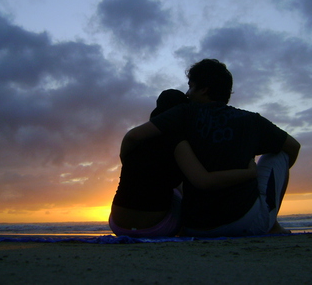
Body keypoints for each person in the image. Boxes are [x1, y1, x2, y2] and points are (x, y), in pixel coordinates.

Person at [120, 59, 301, 237]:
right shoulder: (252, 120)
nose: (188, 94)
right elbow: (293, 147)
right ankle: (273, 224)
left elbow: (133, 136)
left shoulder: (184, 112)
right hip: (246, 223)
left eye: (190, 86)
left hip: (194, 227)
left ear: (204, 89)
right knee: (279, 154)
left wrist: (126, 165)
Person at [110, 89, 258, 237]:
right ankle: (183, 232)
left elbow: (130, 149)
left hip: (117, 226)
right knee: (182, 188)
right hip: (155, 229)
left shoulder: (138, 139)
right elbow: (204, 181)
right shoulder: (177, 142)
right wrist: (249, 173)